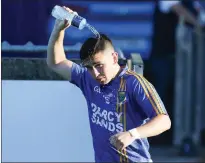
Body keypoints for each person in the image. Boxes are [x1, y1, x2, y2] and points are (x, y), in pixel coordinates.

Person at [47, 6, 171, 163]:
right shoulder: (87, 79)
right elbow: (56, 62)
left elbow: (164, 121)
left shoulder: (134, 83)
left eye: (99, 65)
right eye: (89, 67)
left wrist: (132, 134)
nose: (95, 73)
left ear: (114, 58)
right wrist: (58, 30)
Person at [145, 0, 203, 145]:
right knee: (160, 96)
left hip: (182, 59)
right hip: (163, 56)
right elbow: (178, 9)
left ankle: (173, 137)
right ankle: (154, 137)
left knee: (175, 97)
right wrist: (198, 25)